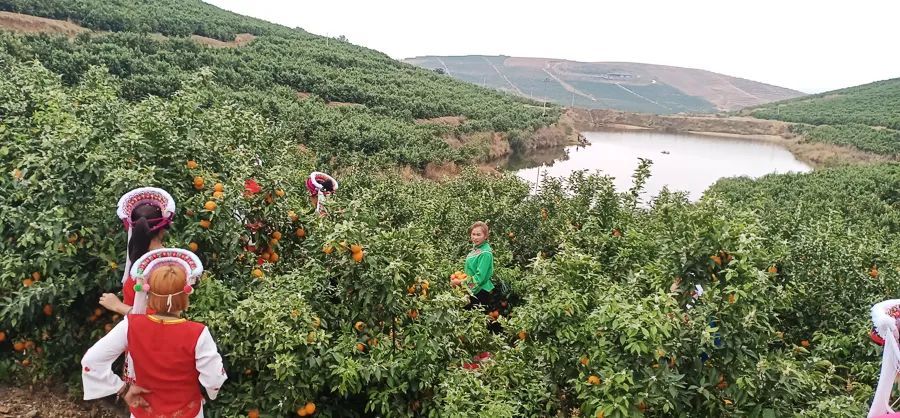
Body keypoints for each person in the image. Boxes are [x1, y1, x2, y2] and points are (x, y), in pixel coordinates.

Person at [82, 248, 226, 418]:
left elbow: (91, 361)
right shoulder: (198, 333)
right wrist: (210, 392)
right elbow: (214, 379)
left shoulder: (131, 325)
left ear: (149, 294)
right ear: (185, 296)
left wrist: (123, 389)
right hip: (187, 412)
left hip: (144, 411)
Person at [100, 187, 175, 316]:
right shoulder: (174, 263)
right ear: (163, 230)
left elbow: (158, 318)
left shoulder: (161, 266)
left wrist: (119, 307)